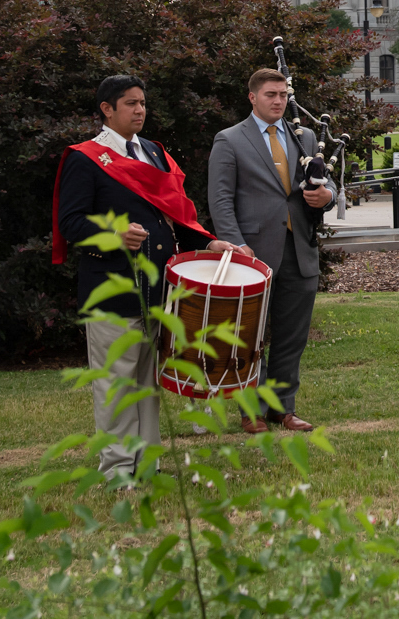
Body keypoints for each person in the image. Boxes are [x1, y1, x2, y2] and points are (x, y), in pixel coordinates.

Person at [54, 76, 243, 472]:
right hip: (111, 287)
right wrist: (112, 233)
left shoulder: (154, 152)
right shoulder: (85, 157)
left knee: (146, 383)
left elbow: (177, 212)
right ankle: (119, 468)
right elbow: (70, 223)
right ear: (107, 109)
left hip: (157, 285)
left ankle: (148, 462)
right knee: (115, 384)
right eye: (130, 104)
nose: (140, 110)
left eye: (142, 103)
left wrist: (210, 242)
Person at [209, 68, 334, 433]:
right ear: (252, 97)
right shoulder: (230, 140)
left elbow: (322, 191)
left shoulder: (305, 137)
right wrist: (237, 245)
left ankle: (283, 408)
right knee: (250, 336)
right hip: (253, 253)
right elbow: (220, 200)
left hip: (299, 249)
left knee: (292, 335)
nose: (278, 100)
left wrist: (325, 198)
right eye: (270, 95)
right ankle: (252, 411)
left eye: (282, 94)